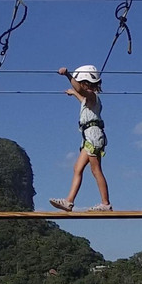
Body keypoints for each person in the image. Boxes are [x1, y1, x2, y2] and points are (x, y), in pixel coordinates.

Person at [49, 64, 112, 212]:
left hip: (94, 136)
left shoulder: (93, 96)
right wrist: (73, 93)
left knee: (96, 170)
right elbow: (81, 96)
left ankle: (105, 203)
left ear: (86, 83)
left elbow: (81, 91)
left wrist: (67, 75)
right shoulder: (87, 99)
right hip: (87, 137)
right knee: (77, 168)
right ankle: (69, 202)